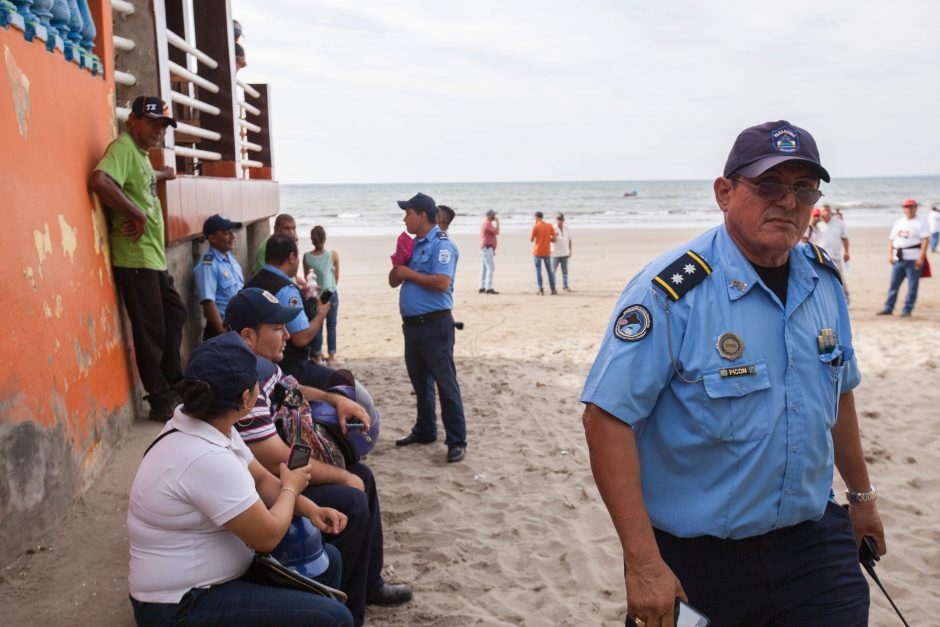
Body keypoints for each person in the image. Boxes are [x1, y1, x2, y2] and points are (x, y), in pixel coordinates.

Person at [581, 120, 884, 626]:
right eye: (769, 186)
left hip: (813, 541)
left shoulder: (823, 281)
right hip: (698, 558)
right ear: (724, 192)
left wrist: (861, 497)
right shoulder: (669, 292)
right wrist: (642, 563)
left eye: (803, 189)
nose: (788, 203)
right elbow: (605, 418)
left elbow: (839, 393)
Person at [127, 332, 353, 627]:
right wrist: (290, 487)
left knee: (329, 560)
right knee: (335, 618)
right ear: (246, 398)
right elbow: (267, 535)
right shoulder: (204, 457)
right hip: (180, 606)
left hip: (204, 584)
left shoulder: (209, 423)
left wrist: (310, 509)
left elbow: (260, 480)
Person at [223, 289, 412, 625]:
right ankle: (346, 613)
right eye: (277, 328)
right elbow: (272, 457)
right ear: (248, 336)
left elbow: (292, 389)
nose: (286, 334)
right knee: (351, 498)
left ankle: (368, 584)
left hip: (276, 473)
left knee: (363, 478)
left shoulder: (262, 365)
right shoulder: (241, 376)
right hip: (257, 489)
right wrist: (341, 476)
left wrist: (335, 400)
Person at [89, 95, 187, 422]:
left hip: (153, 259)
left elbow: (141, 179)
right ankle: (160, 400)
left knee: (175, 315)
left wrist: (162, 174)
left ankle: (173, 381)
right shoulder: (123, 148)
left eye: (163, 125)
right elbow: (100, 180)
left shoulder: (141, 155)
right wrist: (136, 213)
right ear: (133, 120)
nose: (159, 130)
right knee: (151, 332)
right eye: (153, 123)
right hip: (136, 259)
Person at [389, 193, 467, 464]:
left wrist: (408, 273)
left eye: (408, 213)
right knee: (420, 383)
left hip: (435, 325)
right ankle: (425, 430)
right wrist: (399, 268)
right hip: (412, 327)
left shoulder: (442, 245)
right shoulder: (411, 244)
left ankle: (456, 440)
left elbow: (443, 282)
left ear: (422, 215)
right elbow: (393, 279)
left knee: (446, 385)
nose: (404, 218)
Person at [246, 234, 333, 389]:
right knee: (344, 382)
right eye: (298, 256)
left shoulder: (251, 282)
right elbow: (301, 337)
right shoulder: (286, 289)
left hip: (255, 366)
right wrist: (321, 313)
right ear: (292, 257)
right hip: (290, 368)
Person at [194, 214, 245, 340]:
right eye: (227, 233)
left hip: (237, 326)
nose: (233, 236)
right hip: (221, 329)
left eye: (232, 232)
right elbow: (208, 301)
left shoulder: (231, 259)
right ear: (212, 238)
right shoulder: (208, 265)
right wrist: (222, 331)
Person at [877, 198, 930, 317]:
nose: (909, 209)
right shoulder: (899, 222)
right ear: (903, 209)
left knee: (912, 286)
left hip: (913, 259)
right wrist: (890, 254)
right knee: (893, 285)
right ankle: (888, 307)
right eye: (906, 207)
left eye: (911, 207)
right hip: (898, 259)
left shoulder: (920, 222)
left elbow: (925, 240)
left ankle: (907, 309)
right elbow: (892, 239)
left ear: (915, 208)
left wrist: (921, 257)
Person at [303, 226, 340, 364]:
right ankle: (331, 356)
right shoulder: (333, 254)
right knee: (331, 325)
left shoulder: (307, 257)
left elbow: (307, 278)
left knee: (316, 324)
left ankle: (317, 356)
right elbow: (336, 277)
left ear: (312, 239)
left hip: (315, 295)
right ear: (325, 238)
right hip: (330, 292)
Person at [809, 204, 851, 305]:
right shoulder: (817, 224)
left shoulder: (839, 223)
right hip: (819, 257)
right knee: (821, 279)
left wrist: (846, 252)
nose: (826, 213)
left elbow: (845, 238)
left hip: (834, 257)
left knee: (839, 279)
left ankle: (846, 301)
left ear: (831, 212)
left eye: (828, 210)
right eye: (824, 211)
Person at [530, 211, 557, 295]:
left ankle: (541, 289)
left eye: (535, 217)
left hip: (538, 251)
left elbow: (531, 239)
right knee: (550, 271)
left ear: (537, 217)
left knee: (538, 270)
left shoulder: (536, 226)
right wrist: (548, 239)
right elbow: (555, 239)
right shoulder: (549, 226)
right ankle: (553, 289)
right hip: (547, 251)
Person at [551, 212, 573, 291]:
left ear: (563, 220)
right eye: (558, 219)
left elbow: (569, 240)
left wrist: (570, 251)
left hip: (565, 252)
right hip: (555, 253)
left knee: (565, 270)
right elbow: (550, 240)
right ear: (556, 220)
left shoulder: (567, 228)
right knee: (553, 271)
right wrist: (554, 237)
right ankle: (553, 287)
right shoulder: (553, 228)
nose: (559, 221)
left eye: (561, 219)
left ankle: (565, 286)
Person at [479, 209, 499, 294]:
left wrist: (492, 249)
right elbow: (497, 232)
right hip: (487, 248)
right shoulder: (487, 224)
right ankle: (489, 287)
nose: (495, 216)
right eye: (494, 215)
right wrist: (498, 222)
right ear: (491, 216)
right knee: (491, 267)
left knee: (484, 268)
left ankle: (482, 287)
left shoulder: (486, 224)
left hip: (486, 248)